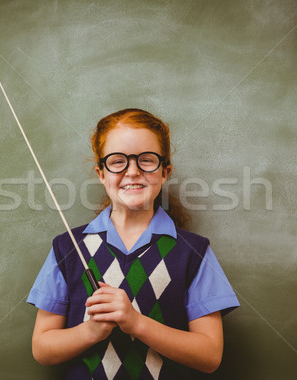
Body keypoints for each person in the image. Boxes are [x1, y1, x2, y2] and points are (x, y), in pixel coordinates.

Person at [27, 108, 239, 379]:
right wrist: (91, 331)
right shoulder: (67, 248)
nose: (133, 171)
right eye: (118, 162)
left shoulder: (194, 252)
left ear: (165, 171)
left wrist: (136, 323)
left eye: (147, 160)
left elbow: (209, 356)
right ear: (101, 173)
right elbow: (42, 349)